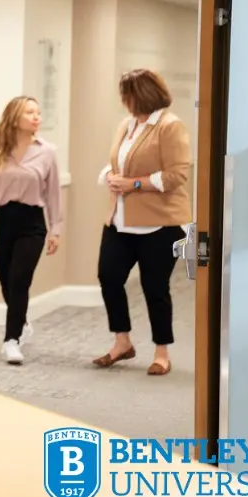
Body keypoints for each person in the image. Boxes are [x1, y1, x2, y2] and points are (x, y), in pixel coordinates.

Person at [93, 68, 191, 376]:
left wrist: (135, 184)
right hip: (120, 221)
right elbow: (116, 164)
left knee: (155, 288)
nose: (123, 100)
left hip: (158, 225)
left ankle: (162, 352)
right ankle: (122, 342)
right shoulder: (127, 125)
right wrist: (110, 176)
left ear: (142, 94)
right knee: (108, 277)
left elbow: (178, 175)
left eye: (127, 94)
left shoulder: (170, 126)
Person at [0, 96, 62, 365]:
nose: (37, 116)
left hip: (32, 222)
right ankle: (21, 322)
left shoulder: (48, 152)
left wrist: (55, 229)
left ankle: (11, 340)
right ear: (15, 117)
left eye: (38, 112)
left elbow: (53, 194)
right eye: (30, 112)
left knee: (19, 279)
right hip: (3, 220)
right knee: (6, 280)